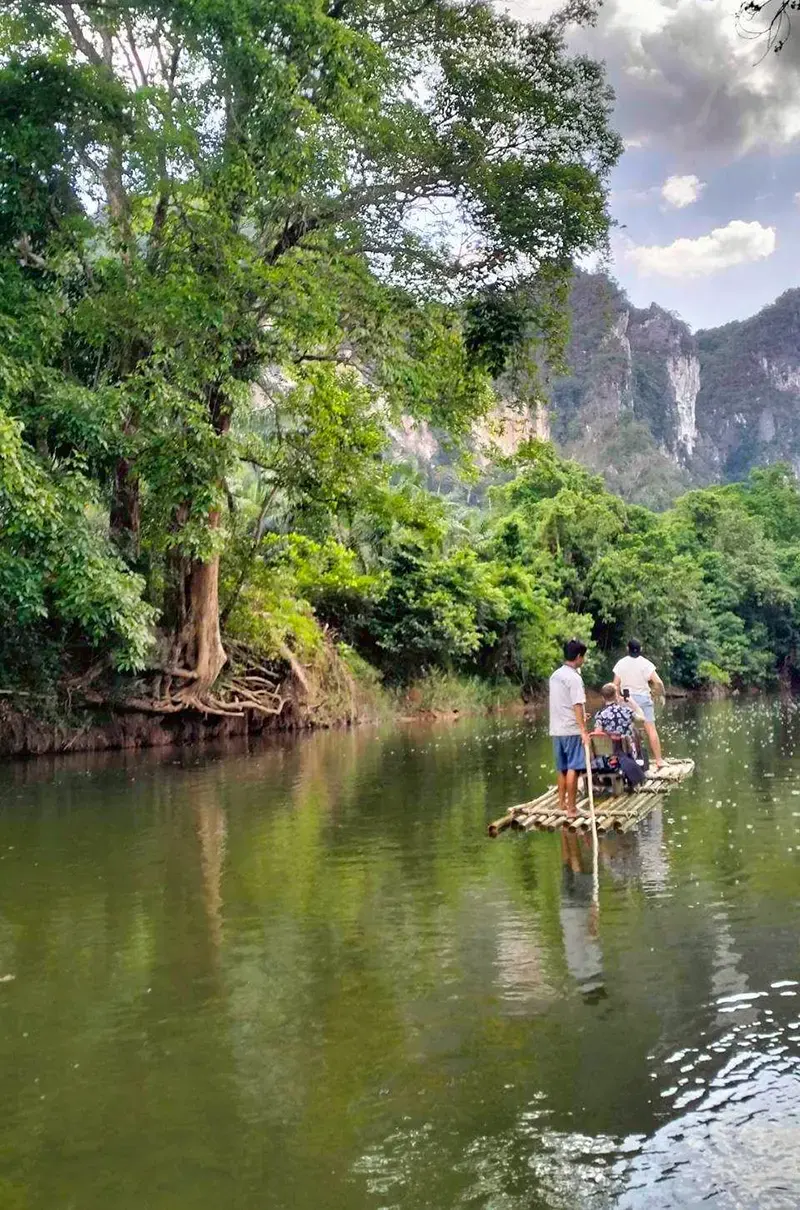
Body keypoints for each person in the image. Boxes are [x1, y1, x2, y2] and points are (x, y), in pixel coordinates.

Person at [549, 639, 589, 818]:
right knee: (574, 767)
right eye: (583, 656)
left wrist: (580, 718)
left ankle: (561, 803)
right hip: (571, 729)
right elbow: (577, 704)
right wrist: (583, 729)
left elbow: (563, 702)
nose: (584, 660)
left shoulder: (555, 675)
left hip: (557, 729)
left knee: (561, 767)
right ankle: (572, 809)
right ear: (578, 656)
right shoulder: (574, 678)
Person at [613, 638, 665, 768]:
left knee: (625, 732)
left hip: (626, 699)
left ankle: (625, 760)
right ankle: (659, 760)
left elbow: (615, 685)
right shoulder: (646, 663)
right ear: (640, 649)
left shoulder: (621, 663)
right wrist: (656, 694)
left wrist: (617, 698)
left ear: (627, 648)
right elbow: (658, 683)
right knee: (651, 730)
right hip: (643, 698)